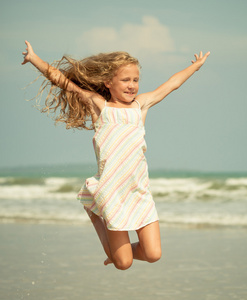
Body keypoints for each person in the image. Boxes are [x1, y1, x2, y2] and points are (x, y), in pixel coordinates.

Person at [21, 40, 210, 270]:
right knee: (123, 264)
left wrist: (195, 67)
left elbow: (171, 84)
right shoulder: (100, 106)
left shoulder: (140, 106)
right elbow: (63, 81)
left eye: (136, 80)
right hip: (112, 193)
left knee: (153, 254)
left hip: (138, 190)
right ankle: (95, 214)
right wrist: (34, 59)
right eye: (126, 80)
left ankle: (115, 248)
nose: (132, 85)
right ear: (108, 82)